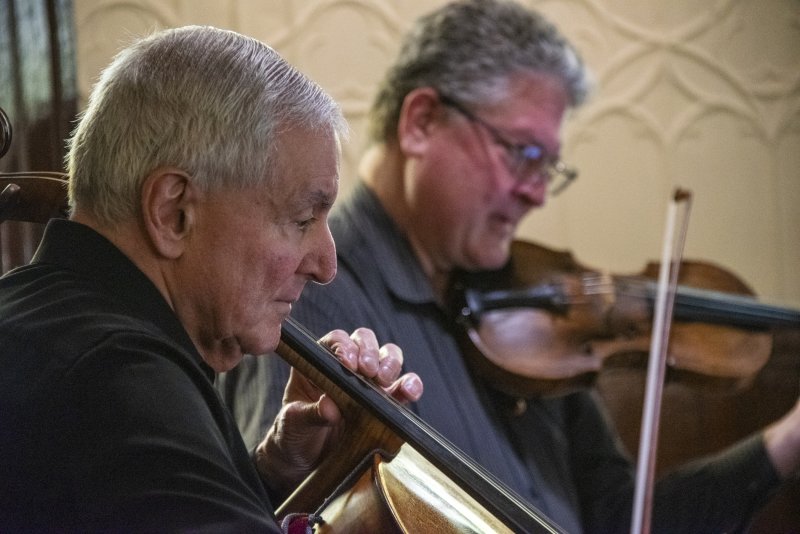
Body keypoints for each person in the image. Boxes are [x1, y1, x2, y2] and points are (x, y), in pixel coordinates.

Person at [220, 1, 800, 532]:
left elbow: (623, 523)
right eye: (524, 154)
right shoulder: (307, 291)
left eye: (548, 167)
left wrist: (788, 439)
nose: (537, 194)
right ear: (421, 121)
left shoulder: (537, 314)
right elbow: (277, 513)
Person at [0, 25, 423, 532]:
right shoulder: (119, 385)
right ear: (173, 212)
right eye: (302, 220)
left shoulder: (47, 320)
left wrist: (273, 474)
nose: (326, 265)